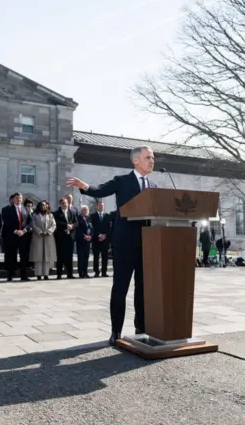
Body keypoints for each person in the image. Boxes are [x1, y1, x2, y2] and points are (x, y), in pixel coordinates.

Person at [67, 145, 157, 346]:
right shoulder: (122, 181)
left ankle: (141, 328)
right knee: (120, 288)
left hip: (148, 244)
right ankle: (116, 331)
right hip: (125, 243)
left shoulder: (154, 188)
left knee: (143, 289)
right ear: (136, 160)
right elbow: (101, 190)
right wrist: (85, 186)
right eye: (148, 157)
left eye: (153, 157)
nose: (152, 160)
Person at [1, 193, 31, 281]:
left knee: (24, 256)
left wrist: (24, 231)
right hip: (12, 235)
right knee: (11, 256)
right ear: (13, 199)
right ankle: (10, 275)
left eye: (20, 198)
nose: (19, 199)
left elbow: (29, 222)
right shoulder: (6, 209)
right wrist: (15, 231)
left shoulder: (25, 209)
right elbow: (6, 222)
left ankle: (23, 275)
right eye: (17, 198)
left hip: (23, 236)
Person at [29, 200, 57, 280]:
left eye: (44, 205)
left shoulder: (50, 215)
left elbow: (53, 225)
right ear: (39, 206)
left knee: (47, 257)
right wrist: (40, 232)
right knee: (38, 257)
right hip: (38, 237)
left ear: (47, 206)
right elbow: (33, 225)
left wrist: (48, 232)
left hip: (48, 237)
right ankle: (38, 274)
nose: (43, 206)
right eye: (41, 205)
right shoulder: (35, 215)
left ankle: (46, 274)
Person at [53, 197, 77, 279]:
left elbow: (76, 222)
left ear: (68, 203)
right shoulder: (56, 213)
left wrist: (72, 226)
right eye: (62, 203)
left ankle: (70, 274)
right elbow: (56, 223)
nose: (64, 204)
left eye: (65, 203)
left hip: (70, 237)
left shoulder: (72, 212)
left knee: (70, 256)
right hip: (61, 237)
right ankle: (59, 274)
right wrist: (66, 226)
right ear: (60, 204)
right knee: (60, 256)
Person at [91, 200, 110, 277]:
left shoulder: (107, 216)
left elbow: (109, 228)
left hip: (105, 240)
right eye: (99, 205)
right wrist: (99, 235)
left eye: (102, 205)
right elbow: (92, 227)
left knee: (105, 257)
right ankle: (96, 272)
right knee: (96, 257)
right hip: (96, 240)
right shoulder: (92, 216)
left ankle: (104, 272)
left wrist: (105, 235)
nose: (101, 207)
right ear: (97, 206)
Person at [76, 205, 93, 278]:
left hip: (88, 241)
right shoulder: (78, 218)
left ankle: (85, 272)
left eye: (86, 210)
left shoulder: (89, 218)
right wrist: (84, 236)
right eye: (84, 210)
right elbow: (78, 229)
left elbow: (92, 229)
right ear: (81, 211)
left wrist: (91, 236)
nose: (85, 211)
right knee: (81, 257)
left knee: (86, 257)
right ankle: (81, 273)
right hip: (81, 240)